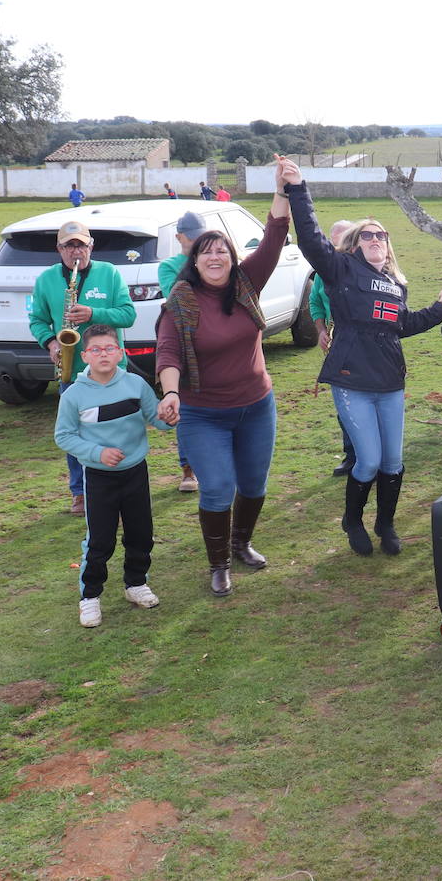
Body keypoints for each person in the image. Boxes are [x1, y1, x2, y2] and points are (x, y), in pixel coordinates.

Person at [281, 159, 442, 557]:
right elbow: (309, 237)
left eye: (382, 236)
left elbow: (403, 325)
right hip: (351, 378)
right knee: (369, 460)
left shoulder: (395, 285)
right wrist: (298, 189)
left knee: (393, 462)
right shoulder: (341, 270)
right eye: (368, 236)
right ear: (356, 245)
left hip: (390, 382)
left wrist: (441, 308)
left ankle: (386, 524)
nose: (377, 240)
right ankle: (352, 520)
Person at [155, 159, 291, 596]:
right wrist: (171, 391)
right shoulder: (181, 300)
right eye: (206, 251)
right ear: (193, 259)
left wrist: (282, 191)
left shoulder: (246, 284)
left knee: (253, 483)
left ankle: (241, 544)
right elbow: (169, 350)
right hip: (204, 412)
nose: (215, 256)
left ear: (232, 258)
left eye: (222, 250)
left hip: (256, 405)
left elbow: (273, 239)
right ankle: (218, 564)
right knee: (216, 487)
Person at [55, 325, 171, 628]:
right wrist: (96, 453)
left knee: (140, 533)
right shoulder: (74, 395)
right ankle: (90, 597)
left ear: (120, 352)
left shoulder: (136, 384)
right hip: (98, 477)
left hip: (135, 472)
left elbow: (157, 420)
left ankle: (136, 584)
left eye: (109, 348)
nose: (103, 354)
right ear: (85, 356)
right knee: (100, 540)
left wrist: (169, 418)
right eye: (96, 350)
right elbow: (64, 436)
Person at [29, 220, 136, 515]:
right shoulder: (47, 280)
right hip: (72, 370)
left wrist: (92, 313)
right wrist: (51, 342)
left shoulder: (110, 273)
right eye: (69, 246)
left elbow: (128, 315)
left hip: (112, 369)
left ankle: (120, 486)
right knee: (75, 433)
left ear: (91, 246)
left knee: (116, 430)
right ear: (59, 249)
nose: (75, 251)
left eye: (80, 245)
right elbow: (37, 319)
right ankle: (80, 492)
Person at [157, 210, 210, 493]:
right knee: (187, 406)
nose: (197, 243)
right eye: (192, 239)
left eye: (201, 238)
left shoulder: (212, 259)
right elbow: (177, 295)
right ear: (179, 237)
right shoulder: (169, 266)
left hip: (213, 342)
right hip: (185, 342)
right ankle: (188, 469)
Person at [308, 220, 358, 477]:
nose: (338, 249)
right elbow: (315, 301)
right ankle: (352, 455)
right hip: (338, 344)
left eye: (343, 242)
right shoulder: (323, 272)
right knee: (344, 402)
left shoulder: (366, 269)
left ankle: (375, 455)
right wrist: (321, 331)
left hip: (364, 344)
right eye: (333, 243)